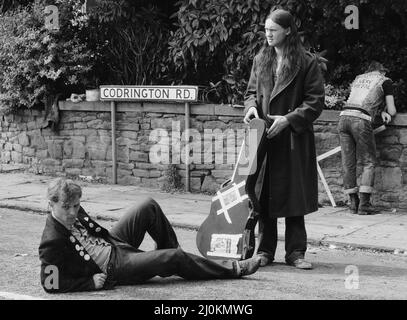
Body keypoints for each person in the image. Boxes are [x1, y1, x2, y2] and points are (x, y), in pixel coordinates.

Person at [38, 178, 261, 293]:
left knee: (148, 206)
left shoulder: (73, 207)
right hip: (114, 266)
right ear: (51, 205)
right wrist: (89, 283)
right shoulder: (51, 241)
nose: (72, 212)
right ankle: (232, 269)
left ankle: (175, 259)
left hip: (113, 243)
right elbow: (50, 284)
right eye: (67, 207)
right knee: (173, 258)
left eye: (76, 206)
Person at [243, 9, 325, 270]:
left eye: (273, 30)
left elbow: (315, 102)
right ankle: (265, 251)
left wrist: (289, 120)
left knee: (294, 195)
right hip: (264, 137)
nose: (268, 34)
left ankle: (295, 253)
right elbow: (250, 93)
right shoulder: (261, 59)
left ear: (288, 31)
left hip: (292, 138)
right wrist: (251, 109)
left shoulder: (307, 62)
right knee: (263, 194)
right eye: (266, 29)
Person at [338, 61, 397, 215]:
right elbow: (392, 110)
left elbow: (360, 101)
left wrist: (379, 112)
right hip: (360, 120)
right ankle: (364, 204)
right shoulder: (385, 81)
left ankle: (353, 203)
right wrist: (386, 112)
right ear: (381, 71)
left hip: (343, 118)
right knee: (368, 161)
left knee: (348, 161)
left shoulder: (358, 78)